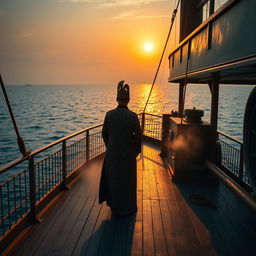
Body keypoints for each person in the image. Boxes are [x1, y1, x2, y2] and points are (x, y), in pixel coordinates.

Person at [99, 80, 142, 216]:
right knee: (127, 181)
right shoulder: (133, 116)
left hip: (112, 154)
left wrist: (110, 147)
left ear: (117, 99)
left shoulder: (109, 115)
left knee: (113, 179)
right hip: (128, 155)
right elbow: (139, 137)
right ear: (128, 100)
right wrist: (135, 151)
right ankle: (128, 207)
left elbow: (104, 134)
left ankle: (114, 206)